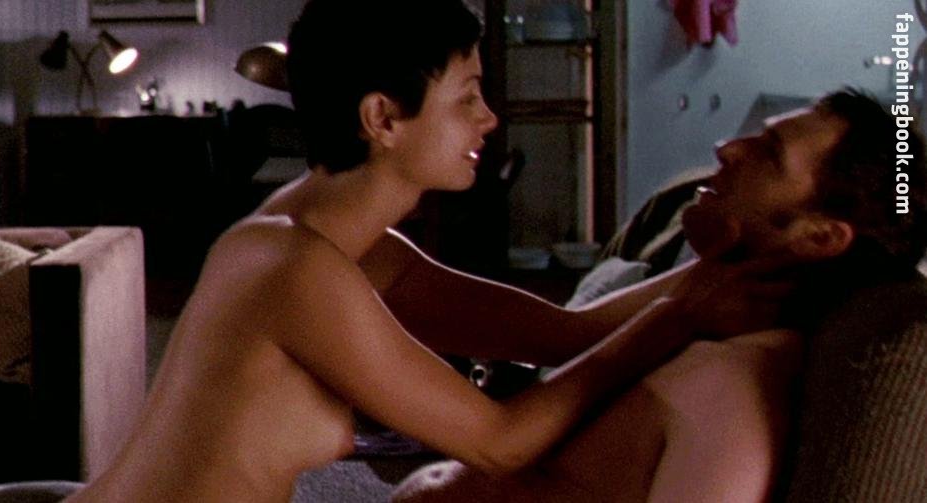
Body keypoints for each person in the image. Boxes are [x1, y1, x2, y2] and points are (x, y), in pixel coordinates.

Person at [59, 1, 797, 502]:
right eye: (468, 96)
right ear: (383, 118)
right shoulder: (290, 265)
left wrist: (713, 274)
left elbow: (562, 334)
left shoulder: (350, 247)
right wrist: (678, 318)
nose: (489, 117)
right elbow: (500, 442)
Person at [388, 88, 927, 502]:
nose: (727, 147)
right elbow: (564, 332)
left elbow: (504, 437)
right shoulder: (700, 316)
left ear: (820, 237)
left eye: (769, 153)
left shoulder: (731, 388)